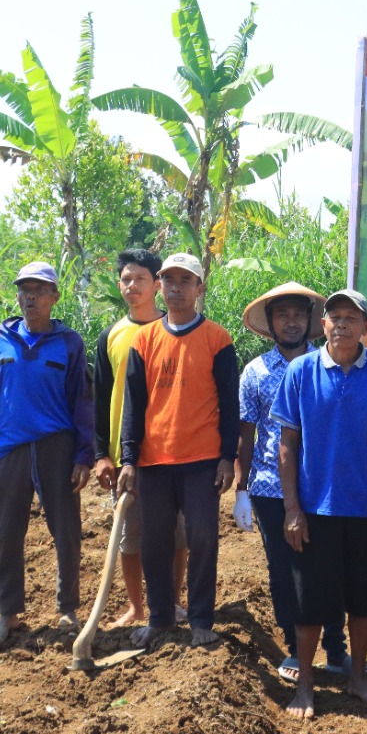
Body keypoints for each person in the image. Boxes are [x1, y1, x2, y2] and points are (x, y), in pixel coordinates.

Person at [274, 289, 367, 719]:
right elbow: (287, 444)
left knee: (363, 600)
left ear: (366, 326)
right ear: (323, 325)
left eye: (352, 317)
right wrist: (292, 508)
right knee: (310, 603)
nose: (343, 324)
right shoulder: (301, 372)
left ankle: (358, 678)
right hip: (316, 508)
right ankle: (306, 686)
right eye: (335, 317)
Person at [0, 261, 94, 643]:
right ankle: (8, 613)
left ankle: (67, 609)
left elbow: (82, 403)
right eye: (24, 290)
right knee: (7, 533)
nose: (30, 297)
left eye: (39, 291)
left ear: (55, 297)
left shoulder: (69, 343)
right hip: (9, 447)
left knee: (66, 531)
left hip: (57, 446)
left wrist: (83, 455)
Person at [116, 253, 238, 649]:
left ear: (199, 288)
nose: (176, 288)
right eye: (169, 280)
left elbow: (229, 403)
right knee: (155, 542)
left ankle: (201, 619)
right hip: (154, 461)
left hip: (202, 460)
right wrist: (129, 459)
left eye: (185, 281)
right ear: (160, 286)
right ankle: (161, 617)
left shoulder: (217, 339)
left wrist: (227, 456)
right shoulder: (144, 340)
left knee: (202, 537)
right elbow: (134, 405)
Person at [233, 281, 353, 680]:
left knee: (329, 568)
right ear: (270, 323)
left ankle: (336, 651)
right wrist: (241, 489)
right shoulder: (255, 372)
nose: (291, 322)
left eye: (298, 314)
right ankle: (293, 651)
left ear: (310, 320)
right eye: (282, 315)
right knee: (283, 570)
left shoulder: (329, 365)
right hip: (270, 487)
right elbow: (246, 433)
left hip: (322, 486)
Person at [90, 248, 187, 628]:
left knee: (176, 535)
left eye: (141, 279)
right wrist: (102, 453)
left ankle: (174, 602)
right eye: (126, 279)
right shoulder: (111, 336)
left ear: (157, 284)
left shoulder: (176, 329)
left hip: (170, 452)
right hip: (125, 457)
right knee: (130, 536)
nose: (132, 285)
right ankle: (136, 607)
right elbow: (100, 399)